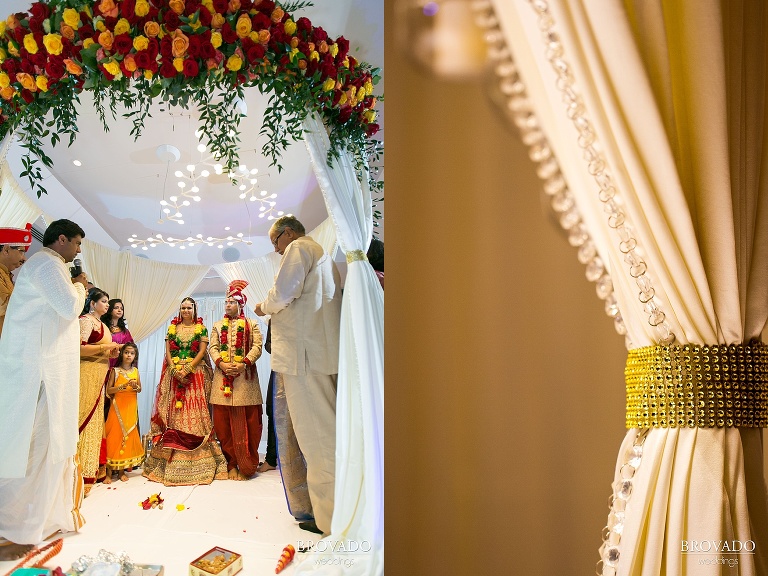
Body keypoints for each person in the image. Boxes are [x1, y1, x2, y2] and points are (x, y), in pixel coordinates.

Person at [0, 219, 88, 560]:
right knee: (32, 448)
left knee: (46, 446)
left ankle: (40, 518)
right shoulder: (46, 265)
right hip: (38, 375)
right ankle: (14, 525)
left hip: (44, 372)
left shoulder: (45, 266)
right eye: (77, 243)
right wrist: (80, 287)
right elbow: (69, 307)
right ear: (61, 239)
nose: (78, 250)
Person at [254, 215, 341, 536]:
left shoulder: (300, 248)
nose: (277, 251)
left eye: (275, 244)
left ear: (287, 234)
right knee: (319, 436)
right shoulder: (321, 254)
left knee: (317, 439)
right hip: (316, 355)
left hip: (305, 359)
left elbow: (282, 293)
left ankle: (331, 520)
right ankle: (326, 510)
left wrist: (263, 307)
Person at [143, 297, 227, 486]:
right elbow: (168, 352)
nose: (186, 310)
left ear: (194, 309)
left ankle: (201, 461)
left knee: (196, 412)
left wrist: (188, 369)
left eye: (189, 307)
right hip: (175, 376)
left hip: (194, 375)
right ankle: (171, 458)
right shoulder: (173, 328)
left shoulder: (201, 328)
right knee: (176, 414)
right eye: (183, 308)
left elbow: (201, 351)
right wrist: (174, 369)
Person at [209, 280, 264, 480]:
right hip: (222, 379)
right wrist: (222, 364)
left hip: (245, 380)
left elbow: (257, 346)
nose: (228, 305)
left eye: (232, 302)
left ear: (240, 305)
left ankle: (246, 464)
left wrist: (244, 363)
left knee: (250, 422)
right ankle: (231, 464)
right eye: (226, 302)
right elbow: (213, 347)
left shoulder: (252, 324)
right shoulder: (217, 326)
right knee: (222, 425)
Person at [78, 288, 121, 495]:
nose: (106, 305)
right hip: (86, 374)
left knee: (95, 422)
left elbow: (100, 349)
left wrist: (110, 351)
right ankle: (76, 473)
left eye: (107, 301)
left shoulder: (102, 324)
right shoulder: (85, 321)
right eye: (103, 301)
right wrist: (105, 349)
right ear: (93, 303)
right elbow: (79, 348)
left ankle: (89, 470)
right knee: (82, 417)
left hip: (99, 375)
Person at [104, 343, 145, 483]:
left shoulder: (136, 372)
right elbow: (108, 391)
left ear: (135, 356)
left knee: (126, 435)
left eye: (132, 353)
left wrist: (135, 386)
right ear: (121, 354)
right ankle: (109, 472)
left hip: (130, 407)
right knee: (114, 436)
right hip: (117, 408)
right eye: (127, 352)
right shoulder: (115, 371)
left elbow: (139, 389)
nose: (129, 355)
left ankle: (121, 470)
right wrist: (120, 387)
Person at [0, 223, 32, 338]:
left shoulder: (6, 274)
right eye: (21, 251)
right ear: (6, 250)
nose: (24, 258)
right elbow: (7, 306)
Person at [257, 319, 277, 473]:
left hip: (301, 370)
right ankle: (271, 459)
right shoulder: (274, 319)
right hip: (279, 368)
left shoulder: (300, 313)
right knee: (272, 410)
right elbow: (268, 345)